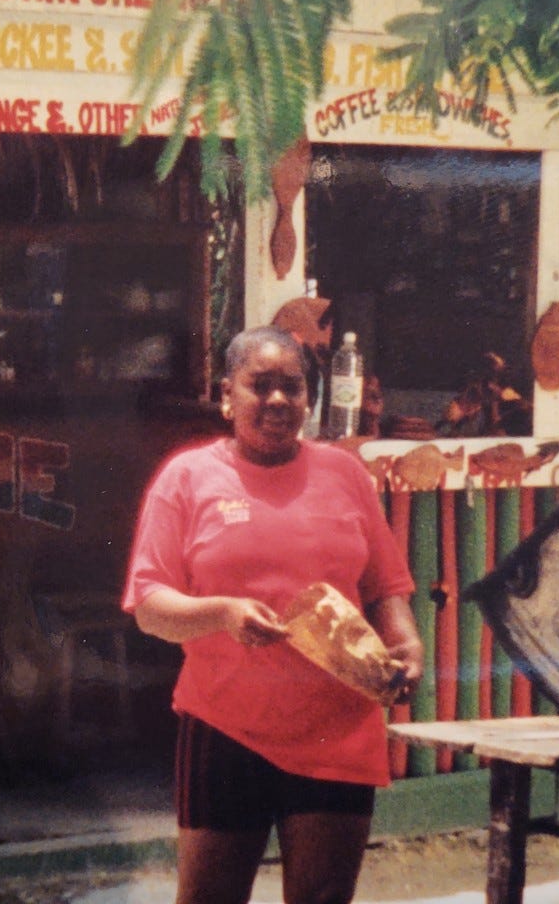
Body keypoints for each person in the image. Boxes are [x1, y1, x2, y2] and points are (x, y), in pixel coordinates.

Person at [123, 325, 426, 904]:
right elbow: (151, 607)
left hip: (338, 729)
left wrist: (407, 646)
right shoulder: (186, 479)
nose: (279, 401)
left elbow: (386, 588)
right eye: (260, 386)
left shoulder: (344, 475)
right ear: (226, 395)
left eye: (293, 387)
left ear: (311, 400)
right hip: (226, 727)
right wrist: (224, 613)